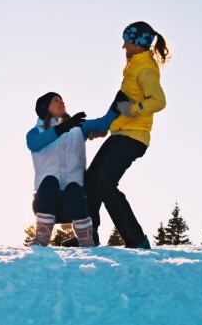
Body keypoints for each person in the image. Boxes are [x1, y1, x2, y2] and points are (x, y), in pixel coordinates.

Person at [66, 21, 169, 249]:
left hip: (134, 137)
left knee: (104, 182)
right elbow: (119, 103)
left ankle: (137, 240)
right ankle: (88, 236)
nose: (123, 46)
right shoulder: (133, 66)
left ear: (138, 43)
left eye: (127, 41)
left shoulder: (145, 69)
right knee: (91, 180)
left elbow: (159, 101)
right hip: (121, 133)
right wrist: (103, 126)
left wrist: (132, 110)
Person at [26, 91, 123, 247]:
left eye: (62, 99)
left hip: (73, 204)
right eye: (55, 100)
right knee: (49, 181)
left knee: (74, 188)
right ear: (45, 108)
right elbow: (34, 144)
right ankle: (42, 238)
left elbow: (103, 123)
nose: (61, 102)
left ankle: (86, 240)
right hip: (45, 202)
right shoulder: (36, 132)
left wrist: (118, 103)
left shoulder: (78, 128)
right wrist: (62, 128)